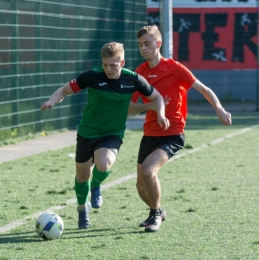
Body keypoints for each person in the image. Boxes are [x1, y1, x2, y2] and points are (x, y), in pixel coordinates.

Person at [40, 42, 170, 229]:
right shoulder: (92, 76)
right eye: (105, 64)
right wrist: (51, 101)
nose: (108, 69)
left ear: (122, 62)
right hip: (87, 133)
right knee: (82, 177)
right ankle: (82, 209)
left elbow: (157, 97)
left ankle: (96, 186)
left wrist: (161, 114)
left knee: (104, 163)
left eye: (113, 65)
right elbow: (64, 90)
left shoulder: (133, 80)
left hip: (111, 134)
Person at [128, 25, 232, 232]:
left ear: (158, 44)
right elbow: (128, 108)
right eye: (140, 45)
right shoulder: (139, 73)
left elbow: (204, 89)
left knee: (149, 171)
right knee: (140, 186)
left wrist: (219, 108)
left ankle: (155, 216)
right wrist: (150, 106)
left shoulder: (175, 68)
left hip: (172, 133)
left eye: (147, 44)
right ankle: (158, 210)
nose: (143, 48)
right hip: (149, 133)